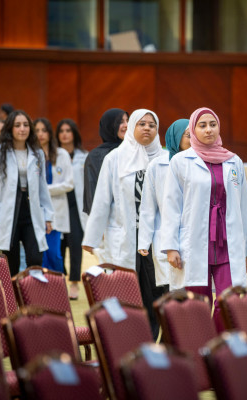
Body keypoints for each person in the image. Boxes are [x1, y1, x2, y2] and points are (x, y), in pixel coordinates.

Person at [161, 107, 247, 332]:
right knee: (196, 302)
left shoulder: (234, 161)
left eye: (212, 124)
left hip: (227, 241)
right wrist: (171, 246)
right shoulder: (181, 162)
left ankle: (219, 345)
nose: (208, 129)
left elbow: (244, 208)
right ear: (193, 129)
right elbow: (172, 206)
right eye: (202, 125)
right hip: (194, 241)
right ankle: (198, 346)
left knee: (229, 300)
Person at [82, 109, 166, 339]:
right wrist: (91, 237)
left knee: (155, 292)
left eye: (152, 124)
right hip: (125, 235)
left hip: (155, 239)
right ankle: (127, 341)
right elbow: (101, 200)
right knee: (126, 292)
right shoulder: (115, 159)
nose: (147, 128)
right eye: (141, 124)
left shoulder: (166, 160)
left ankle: (149, 341)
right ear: (132, 129)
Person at [0, 110, 54, 276]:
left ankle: (33, 298)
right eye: (17, 125)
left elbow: (43, 186)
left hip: (31, 210)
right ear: (10, 129)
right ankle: (13, 299)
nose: (22, 129)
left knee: (35, 258)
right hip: (8, 211)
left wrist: (48, 216)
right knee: (11, 262)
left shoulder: (37, 153)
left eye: (26, 125)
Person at [138, 118, 190, 290]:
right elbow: (148, 206)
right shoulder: (157, 165)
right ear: (176, 137)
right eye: (188, 136)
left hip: (194, 235)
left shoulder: (200, 163)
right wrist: (144, 240)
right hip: (166, 234)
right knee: (171, 292)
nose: (193, 140)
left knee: (195, 290)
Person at [56, 118, 88, 300]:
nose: (65, 134)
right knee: (58, 246)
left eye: (68, 130)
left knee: (75, 244)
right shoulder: (52, 156)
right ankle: (60, 279)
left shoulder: (83, 156)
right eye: (61, 131)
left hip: (76, 206)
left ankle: (74, 282)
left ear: (74, 133)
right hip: (59, 203)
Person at [36, 118, 73, 274]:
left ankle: (58, 290)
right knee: (40, 256)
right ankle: (44, 294)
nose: (40, 134)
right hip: (36, 211)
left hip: (56, 212)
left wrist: (44, 190)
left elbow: (69, 183)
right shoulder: (31, 154)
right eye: (36, 130)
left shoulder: (61, 154)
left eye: (43, 130)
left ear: (50, 134)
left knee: (54, 254)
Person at [83, 108, 127, 215]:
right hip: (108, 221)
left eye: (127, 120)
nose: (126, 125)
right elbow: (92, 191)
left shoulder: (135, 151)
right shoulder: (96, 156)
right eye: (121, 122)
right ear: (109, 126)